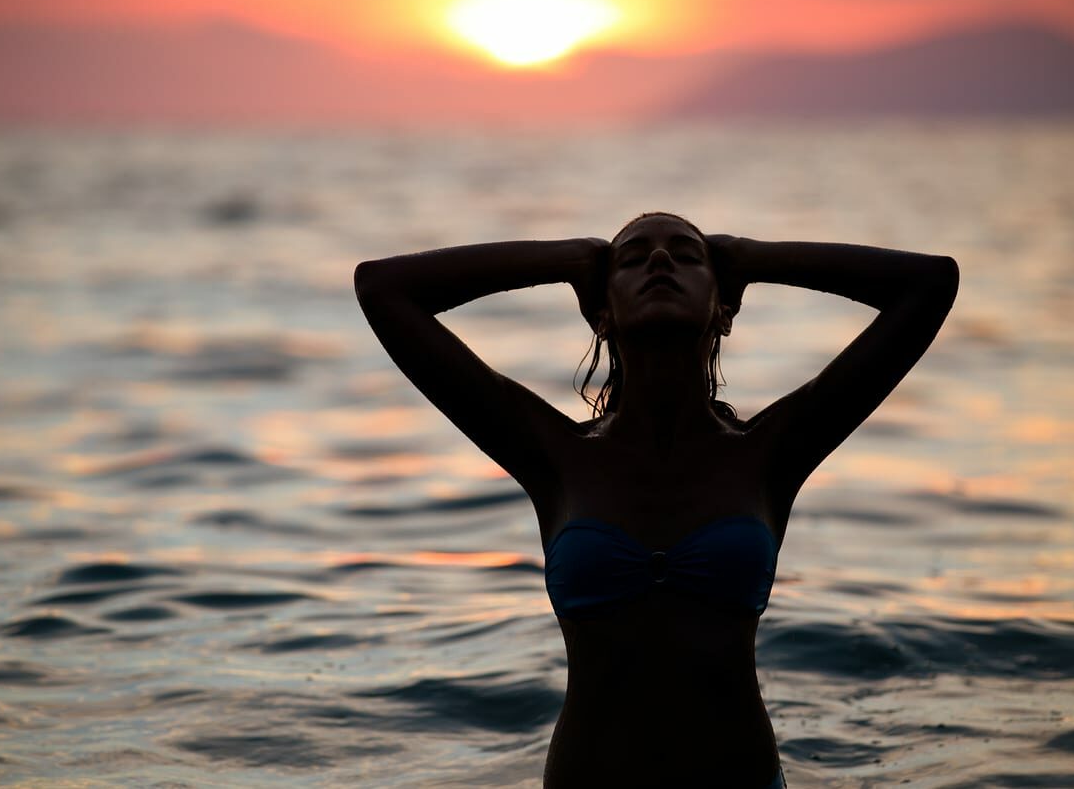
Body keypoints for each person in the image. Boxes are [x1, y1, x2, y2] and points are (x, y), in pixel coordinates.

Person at [353, 212, 959, 788]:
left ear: (724, 309)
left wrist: (750, 257)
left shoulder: (772, 453)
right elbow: (384, 288)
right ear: (601, 313)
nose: (662, 259)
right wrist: (571, 258)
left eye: (689, 255)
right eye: (632, 259)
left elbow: (929, 285)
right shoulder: (553, 456)